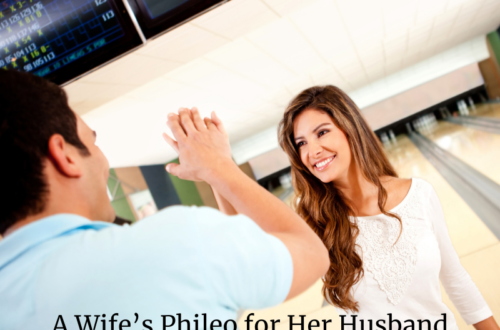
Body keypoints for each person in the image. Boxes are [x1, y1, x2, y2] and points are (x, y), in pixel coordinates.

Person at [0, 70, 329, 329]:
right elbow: (311, 254)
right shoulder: (176, 243)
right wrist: (220, 167)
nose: (103, 160)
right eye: (92, 141)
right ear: (65, 157)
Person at [275, 85, 498, 330]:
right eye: (301, 143)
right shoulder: (314, 223)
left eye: (322, 132)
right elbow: (256, 265)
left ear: (349, 128)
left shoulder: (419, 195)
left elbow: (456, 280)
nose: (313, 150)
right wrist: (225, 172)